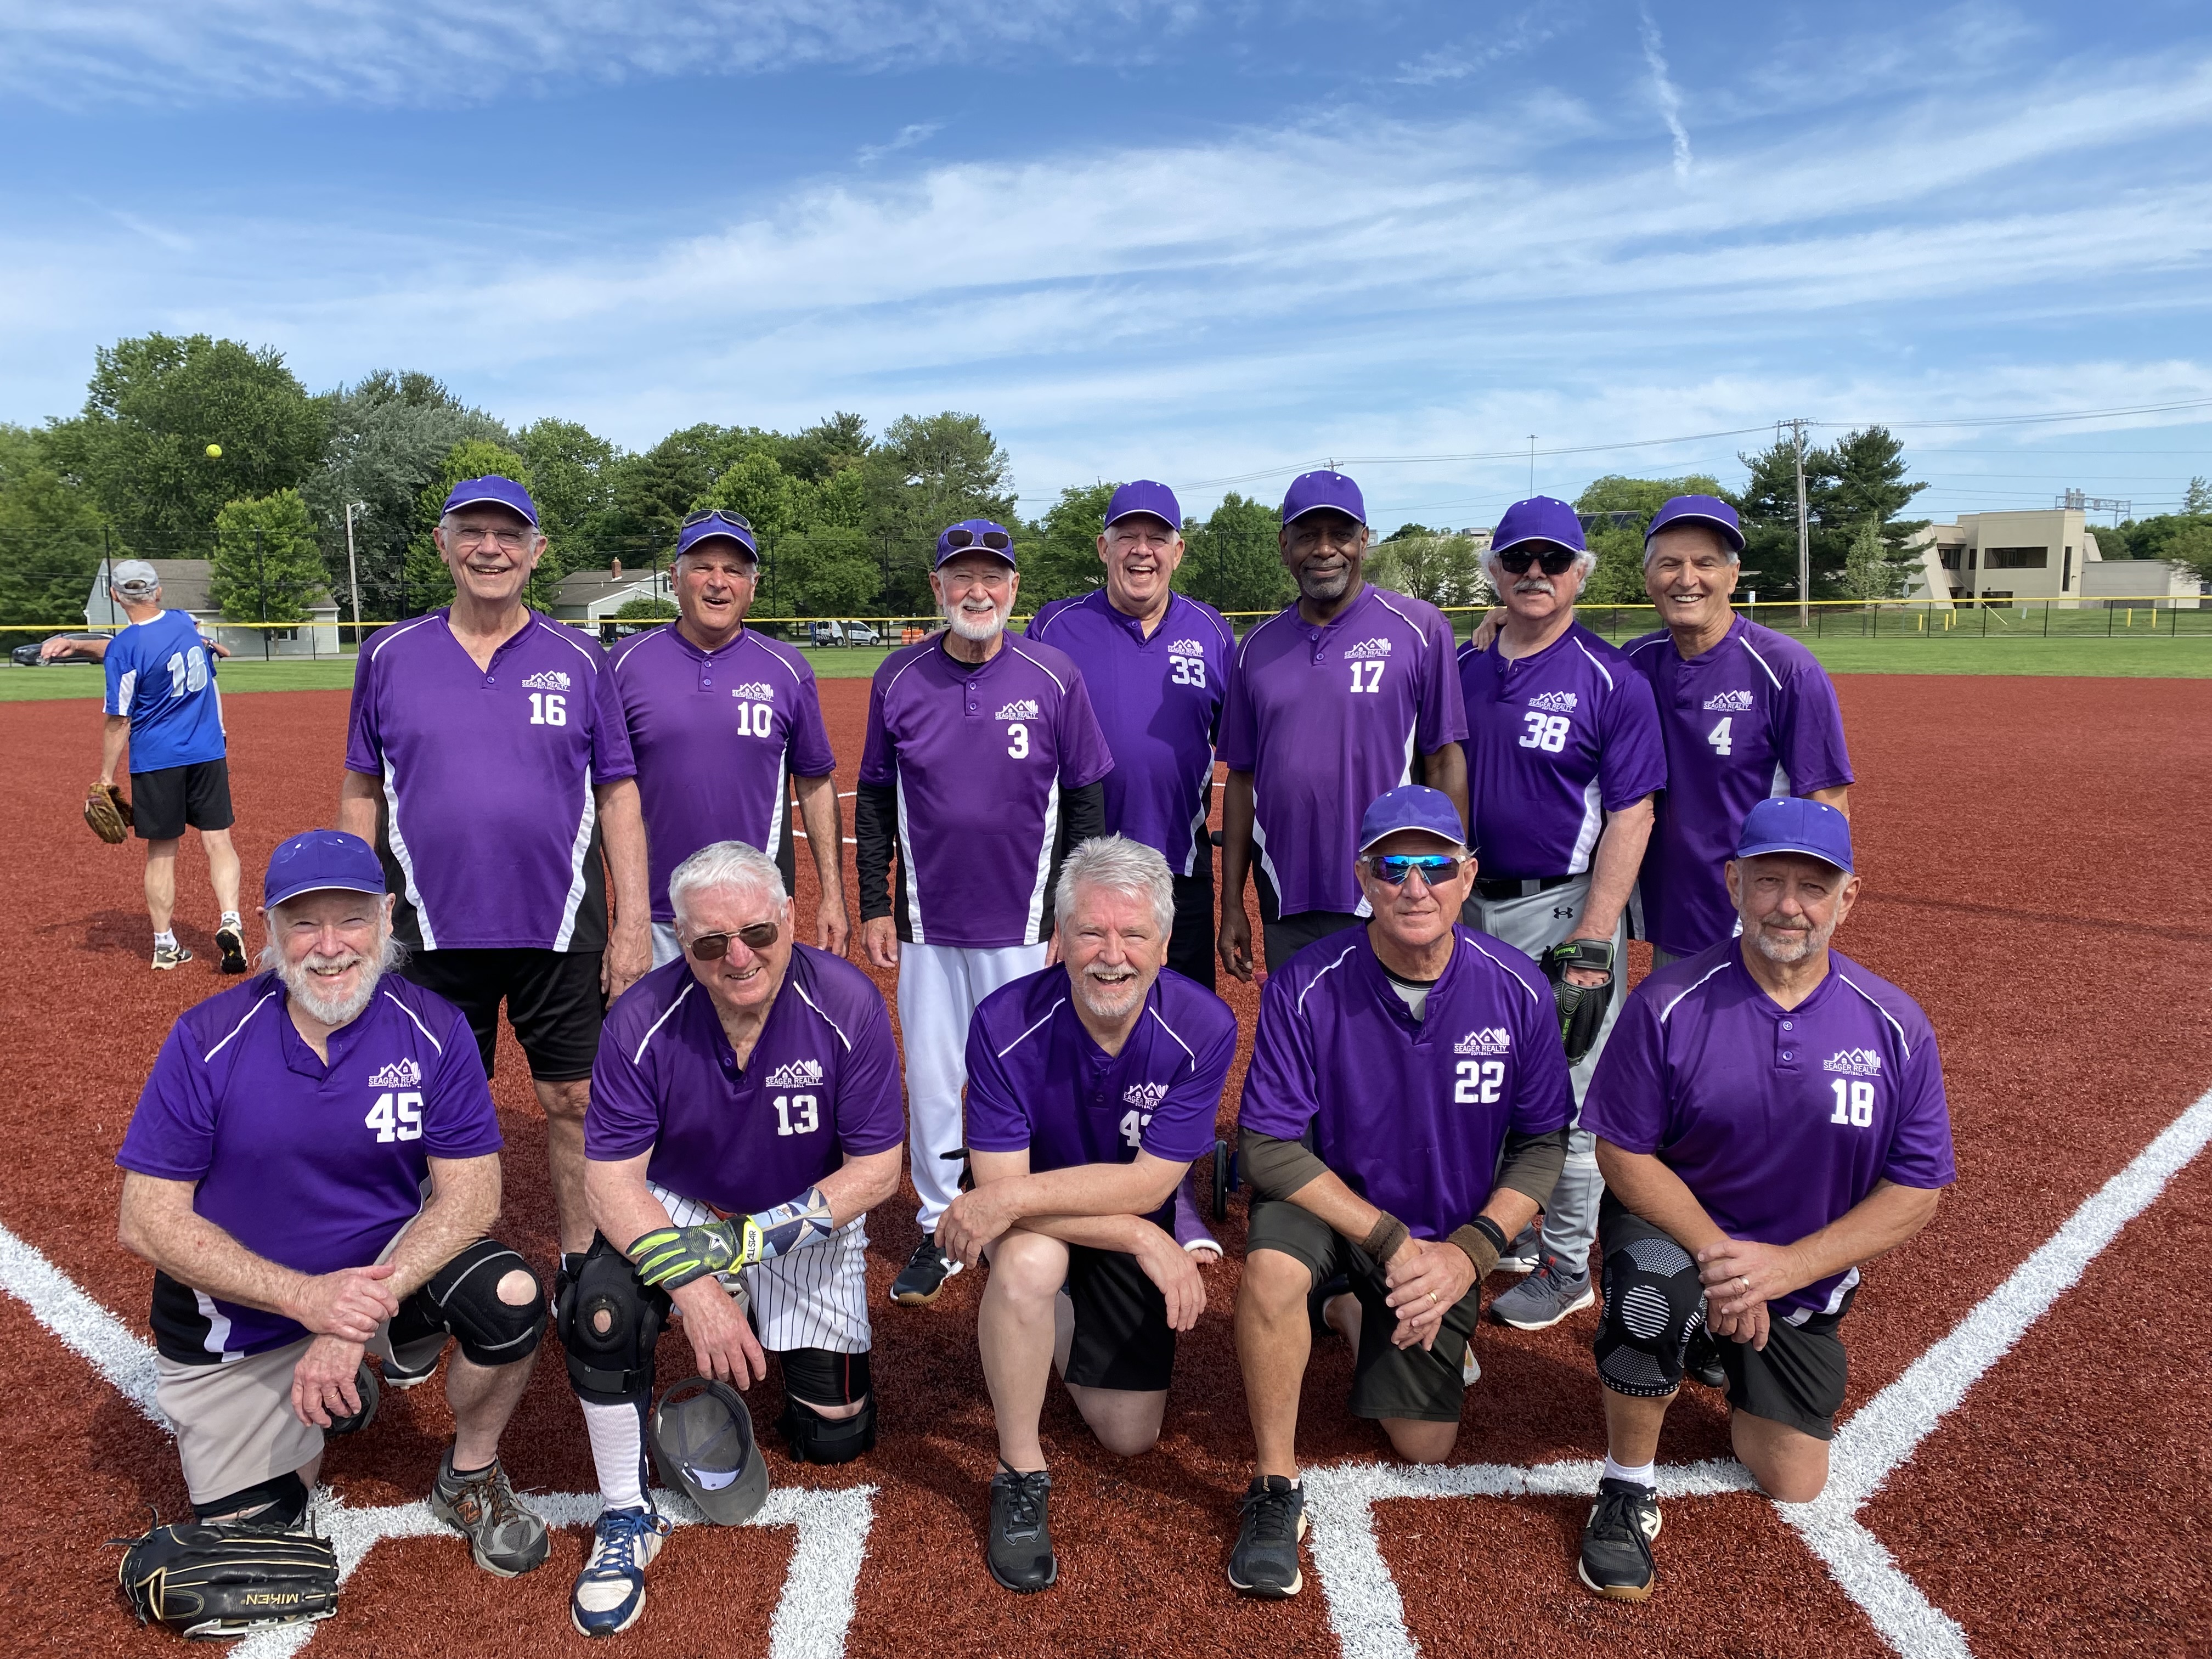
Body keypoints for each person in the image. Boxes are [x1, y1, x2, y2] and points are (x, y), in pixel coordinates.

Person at [114, 830, 551, 1576]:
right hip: (243, 1322)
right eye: (303, 923)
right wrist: (306, 1300)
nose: (329, 946)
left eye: (350, 919)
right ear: (268, 928)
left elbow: (474, 1198)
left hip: (381, 1283)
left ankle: (471, 1474)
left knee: (509, 1295)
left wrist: (347, 1319)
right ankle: (339, 1404)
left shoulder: (434, 1030)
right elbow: (146, 1220)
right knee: (252, 1564)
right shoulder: (206, 1040)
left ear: (386, 916)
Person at [1573, 797, 1953, 1602]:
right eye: (1770, 881)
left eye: (1813, 887)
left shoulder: (1895, 1026)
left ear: (1848, 898)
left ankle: (1713, 1346)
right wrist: (1724, 1263)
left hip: (1796, 1273)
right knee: (1650, 1298)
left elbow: (1918, 1188)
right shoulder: (1669, 1003)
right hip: (1684, 1235)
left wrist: (1784, 1270)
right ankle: (1625, 1486)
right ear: (1734, 884)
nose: (1789, 905)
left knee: (1792, 1479)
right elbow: (1622, 1151)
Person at [1227, 786, 1571, 1600]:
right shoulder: (1307, 983)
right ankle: (1274, 1486)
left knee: (1424, 1444)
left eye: (1435, 867)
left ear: (1467, 876)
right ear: (1363, 878)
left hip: (1443, 1233)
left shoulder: (1520, 989)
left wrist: (1467, 1256)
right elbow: (1267, 1147)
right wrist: (1389, 1242)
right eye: (1393, 867)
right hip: (1333, 1209)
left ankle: (1353, 1309)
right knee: (1271, 1273)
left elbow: (1542, 1145)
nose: (1415, 886)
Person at [562, 840, 904, 1636]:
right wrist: (696, 1291)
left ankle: (751, 1321)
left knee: (834, 1438)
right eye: (712, 943)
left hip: (800, 1211)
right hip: (681, 1204)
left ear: (789, 917)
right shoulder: (641, 1019)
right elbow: (610, 1184)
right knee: (603, 1306)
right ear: (683, 942)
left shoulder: (847, 1003)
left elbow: (878, 1170)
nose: (739, 957)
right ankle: (625, 1513)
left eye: (757, 932)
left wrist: (746, 1247)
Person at [338, 476, 652, 1278]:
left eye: (508, 535)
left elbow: (618, 793)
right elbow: (362, 788)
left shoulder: (581, 657)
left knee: (575, 1100)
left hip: (561, 923)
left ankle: (582, 1266)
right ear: (442, 545)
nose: (490, 548)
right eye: (471, 532)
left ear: (536, 552)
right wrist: (356, 914)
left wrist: (630, 923)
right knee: (426, 1104)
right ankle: (435, 1271)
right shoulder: (389, 654)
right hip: (427, 926)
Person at [936, 836, 1237, 1594]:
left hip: (1072, 1205)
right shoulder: (1004, 1020)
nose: (1112, 955)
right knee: (1028, 1264)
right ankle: (1019, 1468)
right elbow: (1003, 1185)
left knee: (1130, 1437)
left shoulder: (1204, 1026)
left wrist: (1021, 1202)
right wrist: (1139, 1234)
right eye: (1091, 932)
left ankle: (1047, 1321)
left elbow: (1146, 1184)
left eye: (1133, 934)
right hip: (1050, 1225)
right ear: (1059, 938)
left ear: (1164, 944)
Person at [854, 519, 1114, 1306]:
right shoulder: (898, 677)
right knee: (935, 1080)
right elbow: (874, 799)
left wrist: (1075, 910)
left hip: (1027, 923)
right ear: (937, 587)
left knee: (1029, 1077)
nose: (978, 591)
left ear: (1014, 587)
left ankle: (1022, 1217)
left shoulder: (1053, 674)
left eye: (992, 577)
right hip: (929, 923)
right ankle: (941, 1223)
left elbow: (1087, 798)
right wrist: (876, 904)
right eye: (961, 577)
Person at [1454, 498, 1666, 1334]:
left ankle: (1568, 1262)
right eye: (1518, 560)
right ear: (1495, 573)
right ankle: (1509, 1227)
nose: (1534, 573)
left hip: (1564, 906)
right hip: (1470, 901)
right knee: (1485, 1077)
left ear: (1581, 572)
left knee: (1571, 1094)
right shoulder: (1467, 666)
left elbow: (1633, 814)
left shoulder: (1612, 679)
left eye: (1552, 561)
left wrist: (1593, 934)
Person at [1025, 479, 1235, 1257]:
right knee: (1072, 1023)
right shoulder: (1057, 626)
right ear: (1103, 547)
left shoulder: (1211, 632)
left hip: (1177, 870)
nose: (1141, 551)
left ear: (1179, 550)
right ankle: (1070, 1176)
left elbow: (1246, 751)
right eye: (1127, 536)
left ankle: (1174, 1191)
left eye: (1157, 538)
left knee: (1178, 1031)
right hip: (1079, 876)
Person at [1217, 471, 1468, 980]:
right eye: (1308, 536)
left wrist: (1451, 877)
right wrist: (1232, 904)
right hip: (1285, 888)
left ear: (1364, 540)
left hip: (1392, 885)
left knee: (1396, 1023)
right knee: (1300, 1022)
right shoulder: (1255, 649)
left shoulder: (1419, 628)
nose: (1325, 549)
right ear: (1284, 545)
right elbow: (1241, 780)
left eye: (1341, 534)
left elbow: (1445, 759)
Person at [610, 509, 848, 966]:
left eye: (734, 570)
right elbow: (606, 792)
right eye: (702, 567)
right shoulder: (624, 664)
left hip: (755, 918)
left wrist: (833, 896)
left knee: (755, 1015)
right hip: (655, 917)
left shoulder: (787, 669)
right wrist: (628, 918)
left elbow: (815, 783)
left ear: (753, 587)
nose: (718, 582)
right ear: (674, 579)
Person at [1624, 495, 1853, 967]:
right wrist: (1506, 620)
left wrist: (1809, 909)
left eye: (1705, 563)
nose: (1686, 578)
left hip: (1752, 910)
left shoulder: (1786, 668)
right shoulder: (1632, 662)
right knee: (1671, 1010)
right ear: (1648, 578)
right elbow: (1564, 658)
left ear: (1732, 575)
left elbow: (1827, 805)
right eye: (1669, 564)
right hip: (1670, 899)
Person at [95, 559, 248, 973]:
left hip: (157, 759)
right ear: (158, 592)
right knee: (219, 841)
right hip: (207, 752)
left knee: (162, 852)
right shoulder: (184, 623)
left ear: (115, 596)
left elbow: (119, 720)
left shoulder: (123, 649)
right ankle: (231, 919)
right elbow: (182, 641)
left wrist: (106, 776)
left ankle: (165, 945)